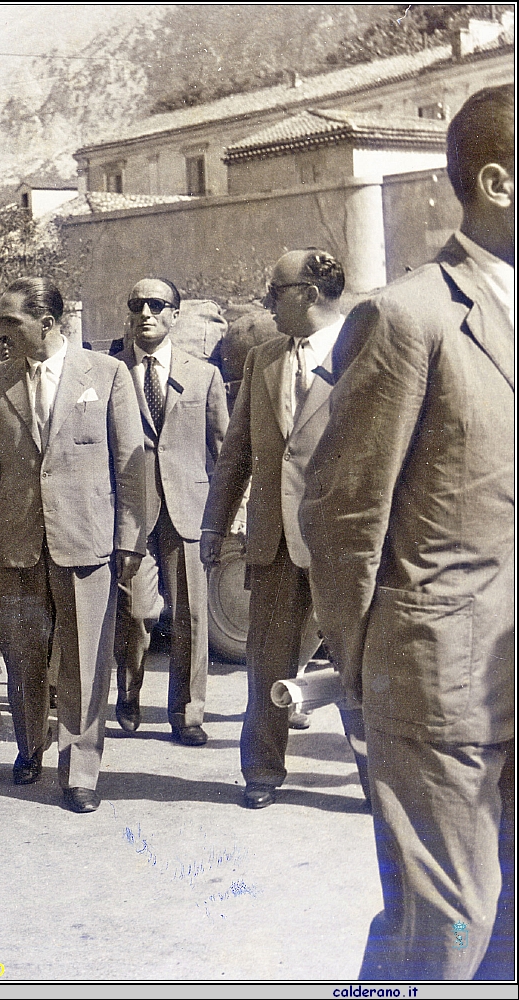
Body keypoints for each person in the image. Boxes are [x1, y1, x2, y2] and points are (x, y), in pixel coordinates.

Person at [301, 85, 515, 981]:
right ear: (497, 183)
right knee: (448, 933)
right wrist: (364, 674)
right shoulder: (407, 316)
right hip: (440, 686)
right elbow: (342, 514)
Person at [201, 249, 368, 810]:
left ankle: (376, 779)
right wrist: (213, 526)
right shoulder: (264, 360)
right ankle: (262, 774)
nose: (266, 301)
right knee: (265, 662)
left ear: (312, 293)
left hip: (343, 543)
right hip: (271, 542)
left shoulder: (366, 352)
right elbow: (237, 454)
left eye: (276, 290)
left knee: (357, 665)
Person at [0, 277, 146, 813]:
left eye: (10, 321)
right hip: (18, 542)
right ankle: (29, 747)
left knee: (84, 659)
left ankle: (81, 771)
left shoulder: (109, 374)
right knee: (23, 654)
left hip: (85, 539)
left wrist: (129, 539)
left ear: (46, 324)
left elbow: (130, 465)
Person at [112, 278, 227, 745]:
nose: (146, 313)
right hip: (132, 514)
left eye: (157, 305)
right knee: (135, 611)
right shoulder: (110, 371)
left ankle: (188, 714)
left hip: (188, 511)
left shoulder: (204, 376)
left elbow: (223, 451)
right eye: (136, 304)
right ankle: (129, 693)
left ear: (175, 315)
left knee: (190, 616)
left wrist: (223, 517)